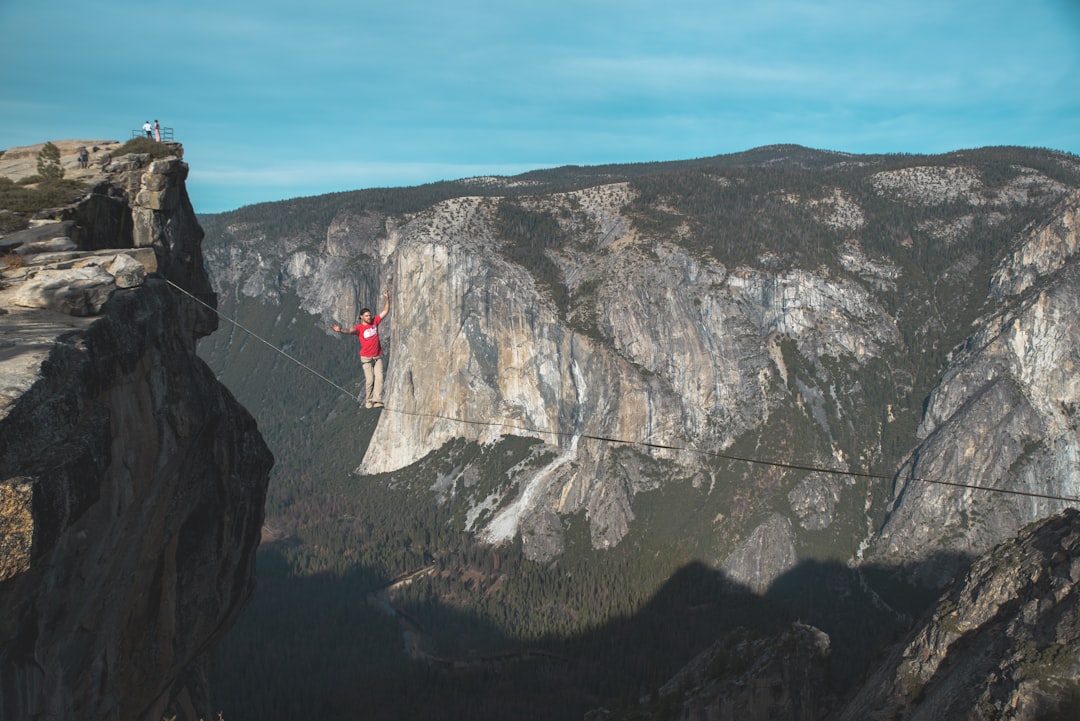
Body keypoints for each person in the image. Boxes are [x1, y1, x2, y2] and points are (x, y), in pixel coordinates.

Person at [332, 289, 390, 408]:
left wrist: (387, 298)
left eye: (369, 315)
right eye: (366, 316)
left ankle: (377, 400)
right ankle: (368, 401)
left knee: (379, 378)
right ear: (361, 317)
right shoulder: (359, 328)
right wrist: (341, 330)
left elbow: (385, 311)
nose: (369, 317)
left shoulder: (375, 321)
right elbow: (349, 331)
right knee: (370, 381)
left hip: (377, 356)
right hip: (366, 358)